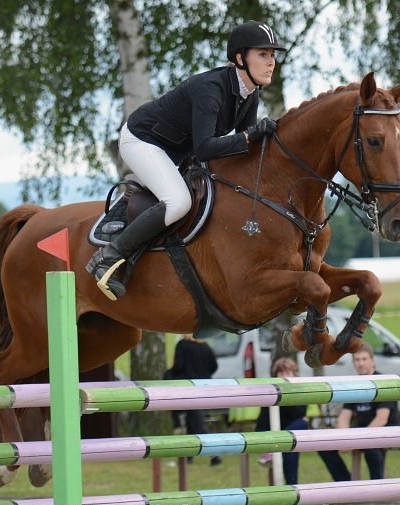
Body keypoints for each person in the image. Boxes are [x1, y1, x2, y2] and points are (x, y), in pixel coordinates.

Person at [87, 20, 286, 301]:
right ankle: (109, 255)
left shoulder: (250, 94)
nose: (271, 63)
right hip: (142, 140)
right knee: (179, 202)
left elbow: (244, 149)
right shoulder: (211, 89)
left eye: (273, 56)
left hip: (178, 150)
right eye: (262, 55)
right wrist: (251, 135)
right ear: (240, 58)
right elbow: (207, 148)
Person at [317, 343, 400, 481]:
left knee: (370, 446)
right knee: (324, 445)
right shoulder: (354, 384)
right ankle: (346, 483)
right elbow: (344, 417)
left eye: (364, 359)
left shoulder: (384, 382)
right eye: (357, 360)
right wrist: (344, 440)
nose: (361, 364)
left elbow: (382, 419)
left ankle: (378, 486)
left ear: (372, 361)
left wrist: (360, 439)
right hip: (362, 430)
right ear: (353, 362)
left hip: (384, 430)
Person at [167, 334, 222, 466]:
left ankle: (214, 454)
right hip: (204, 388)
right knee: (191, 421)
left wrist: (170, 375)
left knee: (197, 424)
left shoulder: (182, 345)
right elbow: (214, 366)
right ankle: (189, 455)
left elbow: (178, 365)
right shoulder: (205, 346)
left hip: (189, 388)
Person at [255, 357, 307, 484]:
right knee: (289, 443)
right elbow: (264, 420)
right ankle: (291, 484)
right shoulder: (269, 392)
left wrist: (288, 397)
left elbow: (300, 414)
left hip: (289, 433)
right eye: (281, 373)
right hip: (270, 430)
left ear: (295, 375)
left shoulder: (301, 392)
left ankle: (291, 485)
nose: (284, 377)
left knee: (298, 429)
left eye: (288, 373)